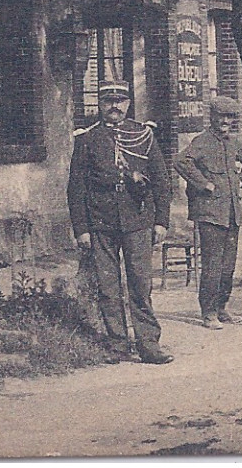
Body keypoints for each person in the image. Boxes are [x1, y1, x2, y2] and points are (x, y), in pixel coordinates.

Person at [67, 81, 174, 364]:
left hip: (138, 219)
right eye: (108, 101)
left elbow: (162, 182)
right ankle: (117, 343)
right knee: (108, 287)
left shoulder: (143, 135)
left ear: (128, 103)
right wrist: (82, 229)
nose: (115, 106)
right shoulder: (87, 139)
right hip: (101, 222)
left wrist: (161, 221)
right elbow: (75, 188)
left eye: (120, 100)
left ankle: (148, 344)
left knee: (141, 284)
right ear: (100, 104)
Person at [175, 96, 242, 329]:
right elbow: (180, 161)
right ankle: (208, 313)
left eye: (230, 117)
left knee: (228, 264)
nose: (225, 121)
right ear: (213, 117)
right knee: (212, 264)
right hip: (209, 213)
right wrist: (203, 183)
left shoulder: (232, 143)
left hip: (231, 213)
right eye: (221, 116)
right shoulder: (203, 141)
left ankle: (221, 307)